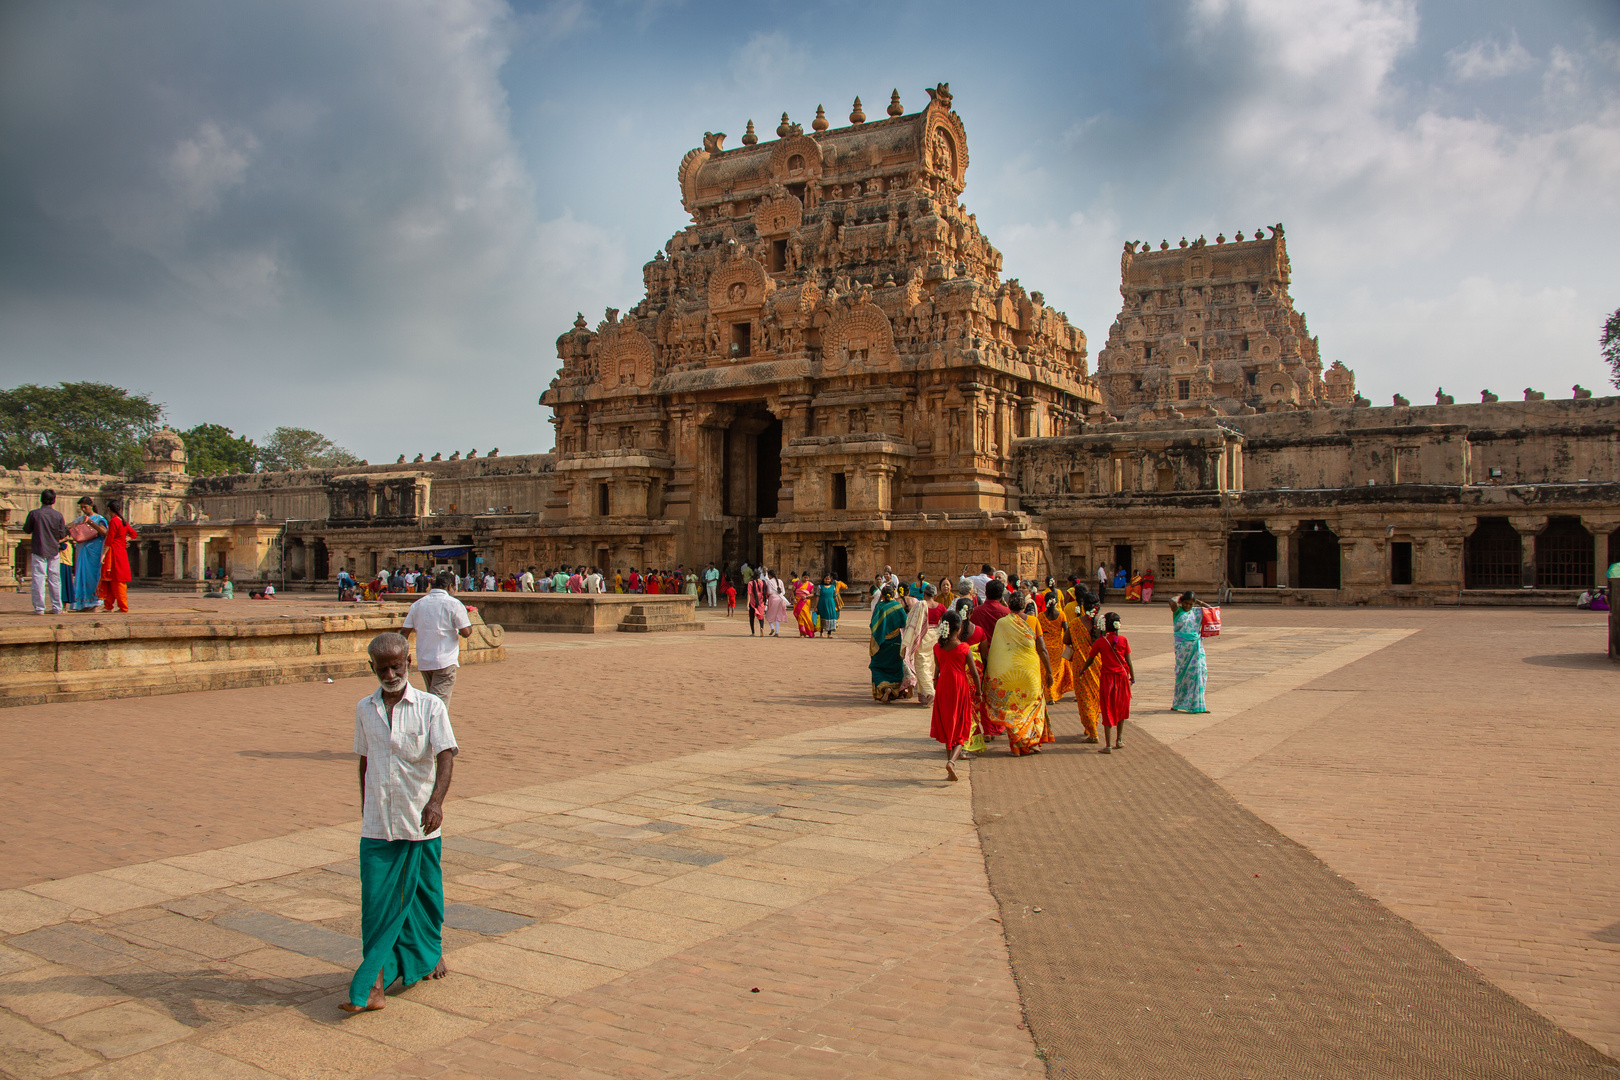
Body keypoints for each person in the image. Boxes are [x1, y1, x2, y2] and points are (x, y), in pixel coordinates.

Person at [343, 632, 457, 1013]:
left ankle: (428, 953)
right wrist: (365, 806)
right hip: (377, 823)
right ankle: (372, 986)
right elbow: (365, 759)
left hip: (418, 819)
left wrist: (436, 802)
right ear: (371, 668)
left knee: (425, 898)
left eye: (396, 665)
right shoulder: (364, 709)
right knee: (375, 904)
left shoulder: (430, 707)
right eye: (382, 668)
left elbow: (445, 756)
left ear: (408, 662)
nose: (390, 673)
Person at [984, 591, 1054, 755]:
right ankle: (1032, 742)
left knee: (1013, 707)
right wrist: (1049, 671)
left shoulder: (1002, 623)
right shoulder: (1034, 621)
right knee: (1033, 706)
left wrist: (991, 672)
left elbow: (996, 650)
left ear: (1008, 605)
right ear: (1024, 606)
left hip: (1010, 673)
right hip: (1031, 671)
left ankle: (1016, 747)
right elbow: (1042, 649)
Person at [403, 572, 473, 703]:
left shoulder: (418, 604)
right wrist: (470, 623)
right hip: (444, 660)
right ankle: (431, 723)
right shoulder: (453, 603)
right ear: (450, 586)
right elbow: (466, 632)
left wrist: (401, 654)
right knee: (437, 704)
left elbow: (404, 632)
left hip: (424, 660)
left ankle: (429, 721)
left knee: (432, 699)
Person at [929, 608, 982, 782]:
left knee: (947, 725)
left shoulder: (938, 647)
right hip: (959, 685)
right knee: (961, 726)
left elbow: (937, 669)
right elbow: (974, 673)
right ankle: (952, 761)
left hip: (944, 685)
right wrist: (979, 692)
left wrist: (936, 681)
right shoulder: (964, 648)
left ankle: (948, 764)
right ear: (958, 629)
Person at [1075, 611, 1134, 754]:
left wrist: (1082, 670)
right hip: (1122, 678)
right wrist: (1132, 676)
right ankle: (1119, 740)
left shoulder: (1100, 642)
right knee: (1121, 708)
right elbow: (1129, 661)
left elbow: (1090, 659)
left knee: (1107, 710)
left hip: (1107, 679)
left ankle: (1108, 745)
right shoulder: (1124, 640)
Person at [1062, 589, 1102, 744]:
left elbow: (1066, 640)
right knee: (1095, 697)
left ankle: (1092, 731)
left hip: (1080, 666)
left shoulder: (1076, 624)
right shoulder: (1102, 623)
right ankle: (1092, 726)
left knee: (1084, 698)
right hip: (1098, 664)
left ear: (1083, 606)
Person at [24, 489, 69, 616]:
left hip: (39, 549)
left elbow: (27, 530)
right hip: (53, 550)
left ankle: (39, 608)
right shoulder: (58, 515)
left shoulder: (34, 514)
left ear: (41, 499)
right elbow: (61, 534)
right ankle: (57, 607)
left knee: (38, 578)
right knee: (55, 579)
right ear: (53, 500)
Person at [1170, 590, 1211, 714]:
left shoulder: (1196, 612)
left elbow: (1211, 610)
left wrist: (1199, 602)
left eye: (1190, 604)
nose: (1188, 606)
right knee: (1182, 675)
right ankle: (1177, 703)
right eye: (1186, 603)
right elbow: (1172, 602)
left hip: (1196, 647)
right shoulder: (1178, 611)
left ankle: (1197, 704)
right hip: (1183, 649)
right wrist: (1180, 597)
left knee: (1199, 673)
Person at [869, 585, 911, 702]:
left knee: (877, 666)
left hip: (881, 642)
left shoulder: (880, 607)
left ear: (882, 595)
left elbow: (874, 625)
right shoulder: (897, 606)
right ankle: (894, 690)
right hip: (896, 641)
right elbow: (904, 623)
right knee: (895, 666)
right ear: (894, 595)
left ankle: (884, 687)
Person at [69, 496, 108, 612]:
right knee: (82, 576)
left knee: (94, 576)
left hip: (95, 550)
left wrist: (90, 522)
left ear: (91, 505)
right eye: (82, 508)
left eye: (85, 507)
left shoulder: (99, 518)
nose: (84, 510)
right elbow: (69, 526)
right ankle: (83, 603)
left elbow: (104, 532)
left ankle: (96, 603)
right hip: (83, 550)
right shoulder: (80, 519)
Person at [97, 498, 136, 613]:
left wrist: (103, 555)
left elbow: (109, 540)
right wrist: (124, 540)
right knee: (111, 580)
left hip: (114, 553)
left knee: (116, 580)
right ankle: (108, 605)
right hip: (120, 551)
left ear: (109, 509)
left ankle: (122, 606)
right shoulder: (122, 521)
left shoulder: (114, 521)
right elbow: (133, 534)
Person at [1037, 592, 1073, 702]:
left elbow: (1038, 632)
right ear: (1056, 602)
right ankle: (1054, 693)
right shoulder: (1061, 614)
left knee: (1047, 671)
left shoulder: (1041, 616)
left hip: (1045, 645)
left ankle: (1049, 694)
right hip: (1059, 645)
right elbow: (1066, 630)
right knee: (1057, 672)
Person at [764, 570, 789, 636]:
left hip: (773, 599)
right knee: (778, 615)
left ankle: (772, 627)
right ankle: (777, 632)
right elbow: (783, 592)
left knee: (769, 614)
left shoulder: (769, 582)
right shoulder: (780, 581)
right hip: (780, 599)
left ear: (769, 575)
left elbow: (769, 591)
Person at [793, 572, 817, 637]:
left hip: (805, 602)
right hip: (798, 601)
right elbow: (792, 591)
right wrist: (793, 599)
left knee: (806, 617)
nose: (806, 579)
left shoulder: (810, 584)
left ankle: (808, 631)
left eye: (807, 578)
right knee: (801, 617)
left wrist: (806, 596)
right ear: (802, 576)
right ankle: (802, 632)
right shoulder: (797, 583)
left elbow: (812, 594)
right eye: (805, 577)